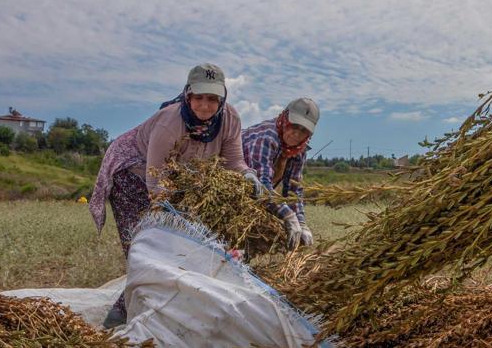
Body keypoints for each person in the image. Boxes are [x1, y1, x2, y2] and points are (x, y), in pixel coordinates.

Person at [88, 62, 256, 324]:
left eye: (212, 99)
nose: (205, 105)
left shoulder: (230, 120)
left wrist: (247, 175)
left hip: (170, 176)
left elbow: (234, 160)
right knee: (147, 243)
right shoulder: (171, 122)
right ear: (188, 95)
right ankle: (122, 313)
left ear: (222, 98)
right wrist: (171, 213)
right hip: (131, 171)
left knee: (176, 245)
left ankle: (158, 307)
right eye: (198, 97)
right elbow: (157, 177)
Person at [241, 98, 319, 250]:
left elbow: (294, 190)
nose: (297, 134)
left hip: (254, 194)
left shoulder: (299, 150)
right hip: (236, 183)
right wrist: (288, 215)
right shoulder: (266, 138)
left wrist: (301, 223)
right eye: (294, 126)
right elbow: (261, 186)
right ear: (285, 118)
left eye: (304, 130)